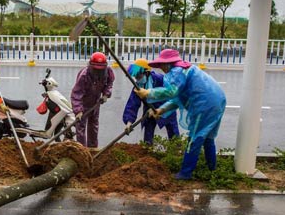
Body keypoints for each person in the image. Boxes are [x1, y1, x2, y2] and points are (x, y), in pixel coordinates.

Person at [135, 49, 226, 180]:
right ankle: (212, 169)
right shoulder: (185, 69)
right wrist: (162, 110)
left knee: (194, 138)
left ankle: (185, 173)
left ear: (167, 63)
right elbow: (177, 99)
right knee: (208, 137)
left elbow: (171, 92)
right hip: (217, 101)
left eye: (162, 65)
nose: (161, 68)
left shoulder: (176, 71)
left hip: (204, 104)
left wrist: (148, 93)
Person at [123, 58, 179, 144]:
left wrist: (158, 109)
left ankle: (176, 151)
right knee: (148, 134)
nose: (137, 78)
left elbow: (169, 95)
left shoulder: (160, 79)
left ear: (147, 73)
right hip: (148, 110)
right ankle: (147, 151)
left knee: (173, 134)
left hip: (167, 109)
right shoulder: (137, 86)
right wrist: (129, 122)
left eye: (139, 75)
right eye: (135, 76)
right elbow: (132, 104)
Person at [71, 52, 115, 147]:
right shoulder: (84, 75)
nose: (98, 71)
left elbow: (110, 83)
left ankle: (92, 148)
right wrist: (78, 110)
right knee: (81, 128)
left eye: (100, 69)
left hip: (96, 103)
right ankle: (81, 150)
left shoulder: (107, 72)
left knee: (94, 126)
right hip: (83, 104)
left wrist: (106, 94)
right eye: (96, 69)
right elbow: (76, 94)